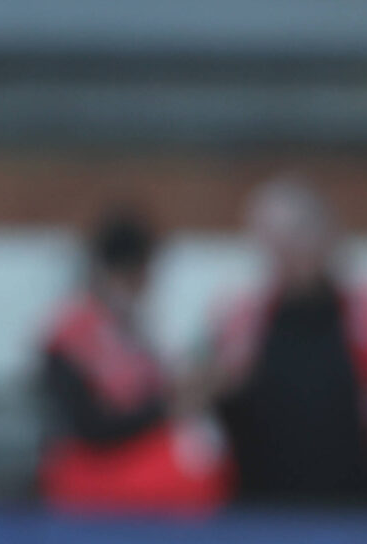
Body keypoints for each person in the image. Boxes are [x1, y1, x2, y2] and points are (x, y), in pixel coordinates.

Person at [207, 176, 367, 504]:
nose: (289, 253)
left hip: (351, 508)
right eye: (275, 241)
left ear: (328, 237)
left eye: (298, 237)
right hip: (261, 508)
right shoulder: (243, 321)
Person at [38, 208, 227, 514]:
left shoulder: (131, 332)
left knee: (207, 458)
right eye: (140, 276)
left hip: (133, 459)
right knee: (197, 472)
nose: (146, 287)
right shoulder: (71, 335)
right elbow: (86, 426)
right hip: (91, 469)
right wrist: (167, 407)